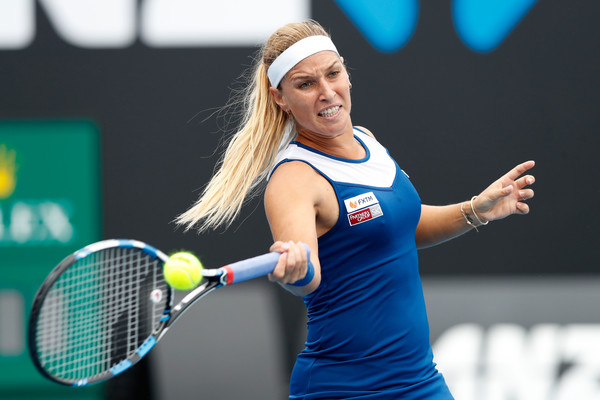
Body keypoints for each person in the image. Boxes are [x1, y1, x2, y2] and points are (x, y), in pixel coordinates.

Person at [177, 20, 535, 400]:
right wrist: (295, 269)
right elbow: (307, 275)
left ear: (346, 71)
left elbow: (402, 229)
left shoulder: (369, 141)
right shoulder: (294, 179)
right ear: (279, 96)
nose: (327, 93)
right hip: (342, 389)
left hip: (419, 381)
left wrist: (474, 210)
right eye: (306, 84)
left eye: (333, 74)